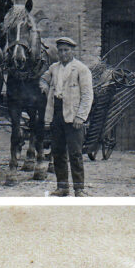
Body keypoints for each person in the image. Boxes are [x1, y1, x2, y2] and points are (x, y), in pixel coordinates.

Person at [43, 36, 94, 197]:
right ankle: (62, 187)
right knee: (57, 152)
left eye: (66, 50)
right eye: (61, 50)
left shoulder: (81, 69)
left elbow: (87, 95)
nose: (63, 53)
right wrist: (44, 85)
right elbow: (43, 79)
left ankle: (79, 189)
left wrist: (81, 117)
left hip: (73, 116)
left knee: (75, 153)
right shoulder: (54, 68)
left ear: (72, 51)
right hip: (56, 114)